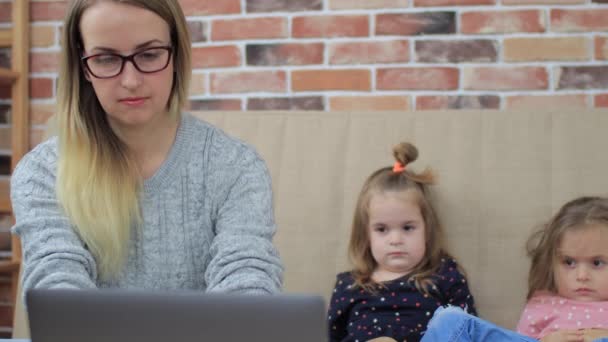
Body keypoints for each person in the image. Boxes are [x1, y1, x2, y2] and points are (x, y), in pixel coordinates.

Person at [10, 0, 283, 294]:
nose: (131, 81)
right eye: (106, 59)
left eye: (150, 55)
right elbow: (56, 284)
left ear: (176, 55)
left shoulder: (237, 167)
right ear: (83, 67)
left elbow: (247, 277)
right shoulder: (42, 173)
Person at [327, 142, 477, 342]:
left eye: (407, 228)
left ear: (427, 229)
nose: (396, 240)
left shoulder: (445, 276)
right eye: (382, 229)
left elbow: (470, 332)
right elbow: (330, 336)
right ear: (366, 234)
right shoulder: (349, 286)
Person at [421, 196, 608, 342]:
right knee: (450, 319)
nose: (582, 276)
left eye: (597, 263)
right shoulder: (543, 304)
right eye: (569, 263)